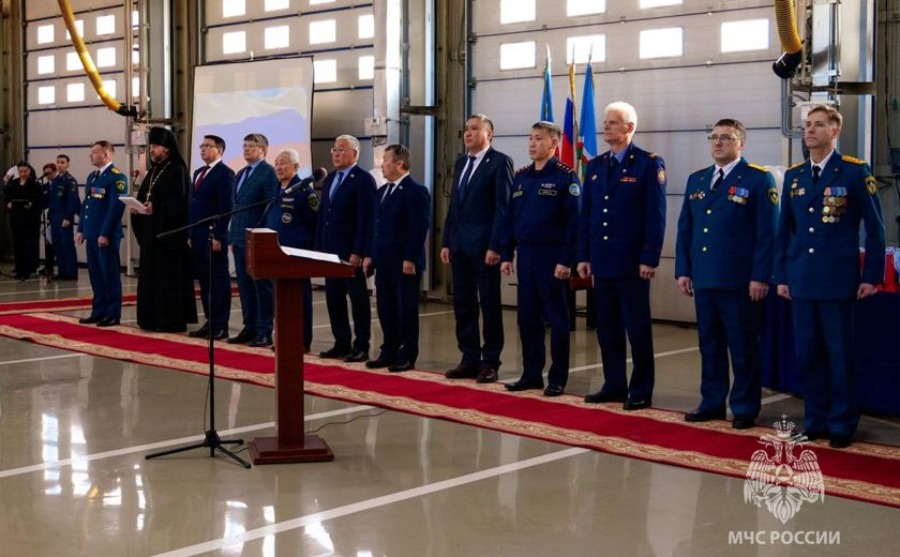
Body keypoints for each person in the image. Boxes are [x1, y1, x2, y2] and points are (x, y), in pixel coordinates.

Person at [775, 104, 885, 449]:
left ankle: (841, 423)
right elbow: (785, 231)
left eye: (818, 125)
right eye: (807, 125)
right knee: (808, 354)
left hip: (837, 279)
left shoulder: (853, 171)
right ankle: (815, 420)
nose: (809, 130)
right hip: (802, 279)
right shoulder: (795, 176)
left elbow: (876, 228)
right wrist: (782, 275)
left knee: (839, 354)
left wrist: (871, 275)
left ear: (835, 131)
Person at [674, 118, 777, 430]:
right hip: (705, 277)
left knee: (743, 347)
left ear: (741, 143)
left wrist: (761, 276)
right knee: (710, 345)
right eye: (714, 137)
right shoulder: (697, 179)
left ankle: (744, 407)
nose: (718, 143)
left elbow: (768, 233)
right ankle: (712, 402)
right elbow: (686, 229)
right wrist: (683, 270)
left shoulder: (758, 178)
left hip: (739, 281)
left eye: (726, 138)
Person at [577, 101, 666, 411]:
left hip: (631, 261)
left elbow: (655, 215)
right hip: (602, 260)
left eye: (613, 122)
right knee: (608, 327)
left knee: (636, 328)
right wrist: (584, 255)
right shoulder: (596, 165)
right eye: (605, 121)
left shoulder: (647, 163)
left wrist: (650, 257)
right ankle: (614, 384)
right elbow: (587, 214)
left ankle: (640, 389)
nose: (606, 126)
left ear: (629, 127)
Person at [500, 122, 579, 396]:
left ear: (554, 143)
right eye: (530, 138)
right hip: (526, 256)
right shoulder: (522, 177)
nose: (532, 144)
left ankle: (557, 378)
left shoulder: (565, 176)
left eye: (539, 139)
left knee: (557, 320)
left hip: (552, 256)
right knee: (528, 318)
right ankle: (531, 374)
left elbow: (574, 222)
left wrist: (566, 260)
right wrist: (507, 254)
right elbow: (511, 219)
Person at [440, 114, 513, 384]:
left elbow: (502, 209)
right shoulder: (461, 161)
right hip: (459, 245)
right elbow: (454, 206)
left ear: (489, 134)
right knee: (463, 304)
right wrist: (446, 241)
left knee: (490, 305)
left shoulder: (500, 162)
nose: (468, 133)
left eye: (474, 129)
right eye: (466, 129)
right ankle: (469, 357)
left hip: (485, 248)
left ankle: (490, 361)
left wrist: (496, 245)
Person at [363, 144, 430, 372]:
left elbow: (418, 228)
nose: (381, 164)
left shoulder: (415, 190)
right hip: (383, 261)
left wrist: (410, 257)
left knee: (406, 310)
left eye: (386, 160)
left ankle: (407, 354)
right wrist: (370, 255)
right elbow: (375, 226)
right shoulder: (382, 191)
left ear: (399, 163)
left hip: (404, 263)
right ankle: (388, 350)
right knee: (386, 308)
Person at [131, 127, 198, 332]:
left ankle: (170, 321)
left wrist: (157, 208)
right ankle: (149, 319)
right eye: (151, 146)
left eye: (156, 146)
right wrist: (138, 208)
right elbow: (145, 196)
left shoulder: (177, 170)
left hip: (169, 239)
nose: (152, 150)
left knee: (167, 280)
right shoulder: (153, 171)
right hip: (151, 236)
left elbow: (180, 204)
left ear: (167, 149)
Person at [316, 135, 376, 362]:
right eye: (334, 149)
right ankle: (341, 342)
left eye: (341, 149)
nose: (336, 153)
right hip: (330, 250)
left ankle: (361, 345)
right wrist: (320, 248)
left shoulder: (363, 179)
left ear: (355, 153)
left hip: (351, 251)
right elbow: (324, 215)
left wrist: (359, 250)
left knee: (358, 299)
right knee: (334, 298)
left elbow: (366, 218)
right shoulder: (330, 179)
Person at [265, 149, 320, 352]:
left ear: (296, 167)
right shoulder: (276, 188)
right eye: (276, 163)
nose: (278, 167)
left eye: (283, 163)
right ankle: (283, 338)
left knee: (300, 298)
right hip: (276, 251)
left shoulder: (304, 190)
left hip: (297, 253)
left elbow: (315, 221)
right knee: (280, 298)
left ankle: (302, 341)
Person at [227, 133, 278, 347]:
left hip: (257, 239)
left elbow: (270, 208)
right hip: (239, 238)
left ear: (263, 150)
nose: (246, 149)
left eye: (251, 146)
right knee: (245, 286)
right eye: (244, 146)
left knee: (261, 287)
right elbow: (236, 206)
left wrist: (263, 237)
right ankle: (249, 326)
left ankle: (264, 330)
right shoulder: (241, 173)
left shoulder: (268, 173)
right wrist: (232, 236)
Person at [188, 135, 235, 341]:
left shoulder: (225, 174)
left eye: (208, 146)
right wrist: (190, 233)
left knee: (218, 282)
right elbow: (194, 204)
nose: (203, 149)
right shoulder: (199, 172)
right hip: (198, 234)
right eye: (202, 146)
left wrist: (219, 235)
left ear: (220, 150)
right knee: (204, 282)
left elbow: (226, 208)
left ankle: (220, 325)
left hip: (213, 235)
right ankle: (209, 321)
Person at [76, 141, 126, 327]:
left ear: (106, 155)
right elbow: (87, 205)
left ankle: (113, 313)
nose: (91, 155)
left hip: (106, 236)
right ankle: (99, 311)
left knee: (109, 275)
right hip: (91, 234)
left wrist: (105, 233)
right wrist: (81, 229)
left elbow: (116, 208)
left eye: (95, 152)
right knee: (96, 276)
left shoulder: (116, 177)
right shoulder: (93, 176)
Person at [3, 161, 43, 280]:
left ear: (29, 171)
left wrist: (31, 204)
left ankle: (28, 269)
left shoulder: (34, 184)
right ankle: (19, 268)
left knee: (28, 244)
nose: (23, 174)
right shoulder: (13, 183)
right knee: (17, 243)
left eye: (25, 171)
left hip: (29, 219)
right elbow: (7, 197)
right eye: (21, 171)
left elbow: (39, 200)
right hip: (16, 218)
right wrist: (8, 204)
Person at [47, 155, 81, 280]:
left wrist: (68, 217)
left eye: (62, 162)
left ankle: (71, 272)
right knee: (57, 244)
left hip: (64, 216)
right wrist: (49, 216)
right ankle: (62, 271)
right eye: (58, 162)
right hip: (54, 216)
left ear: (68, 164)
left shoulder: (70, 181)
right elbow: (52, 200)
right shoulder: (56, 180)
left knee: (67, 244)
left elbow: (73, 201)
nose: (60, 165)